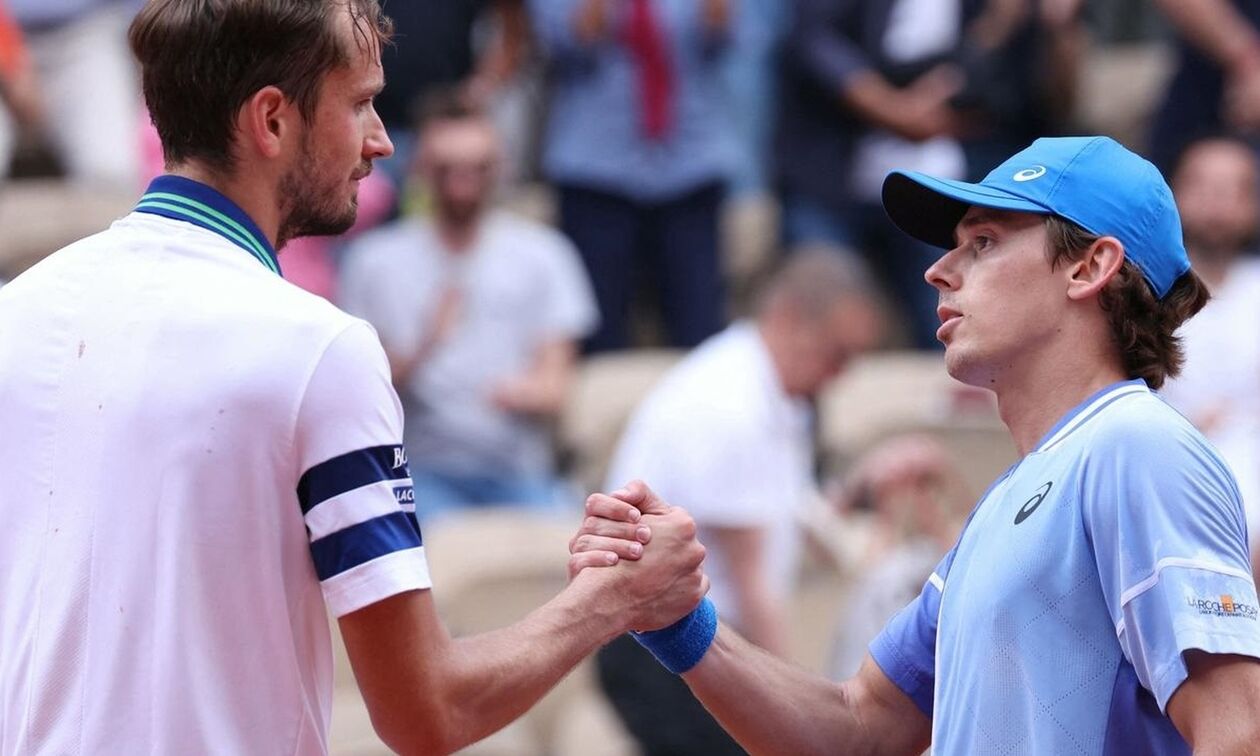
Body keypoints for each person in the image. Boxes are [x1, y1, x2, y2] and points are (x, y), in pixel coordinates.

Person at [0, 2, 707, 753]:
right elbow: (427, 711)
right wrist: (615, 596)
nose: (382, 140)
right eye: (362, 103)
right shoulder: (320, 349)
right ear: (271, 120)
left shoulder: (17, 311)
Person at [573, 135, 1260, 752]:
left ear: (1089, 269)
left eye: (984, 242)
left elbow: (1239, 731)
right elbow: (858, 730)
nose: (938, 270)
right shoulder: (1011, 499)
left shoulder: (1138, 446)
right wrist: (680, 621)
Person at [596, 250, 883, 754]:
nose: (842, 375)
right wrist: (803, 715)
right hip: (665, 645)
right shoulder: (730, 405)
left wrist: (865, 485)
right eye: (837, 354)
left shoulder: (768, 389)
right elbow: (756, 591)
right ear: (790, 318)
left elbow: (791, 519)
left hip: (689, 635)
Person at [340, 92, 598, 521]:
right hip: (418, 474)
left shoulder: (545, 254)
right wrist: (426, 346)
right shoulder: (374, 261)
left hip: (520, 471)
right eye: (446, 169)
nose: (462, 182)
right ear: (420, 169)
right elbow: (357, 394)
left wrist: (516, 394)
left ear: (500, 169)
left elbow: (556, 384)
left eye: (477, 169)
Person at [528, 0, 736, 352]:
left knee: (700, 330)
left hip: (690, 167)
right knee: (599, 332)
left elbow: (721, 37)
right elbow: (572, 42)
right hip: (596, 173)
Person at [1160, 135, 1260, 579]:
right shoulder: (1145, 296)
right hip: (1169, 466)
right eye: (1203, 187)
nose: (1217, 203)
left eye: (1233, 190)